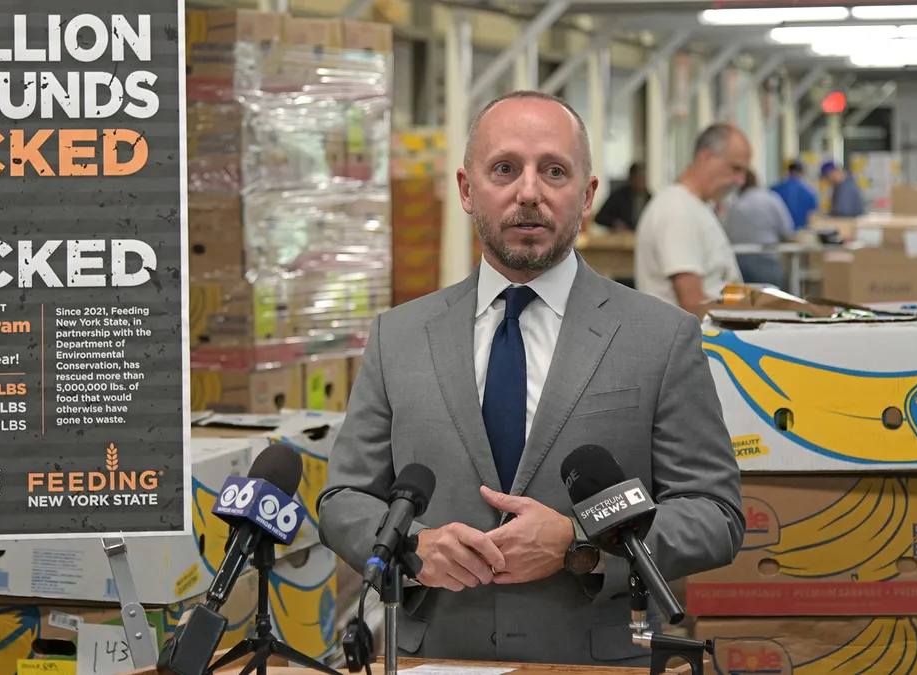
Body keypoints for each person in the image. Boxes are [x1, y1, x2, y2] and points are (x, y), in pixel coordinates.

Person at [316, 90, 744, 667]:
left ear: (586, 195)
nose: (529, 192)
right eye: (504, 169)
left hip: (592, 661)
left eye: (554, 171)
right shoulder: (400, 336)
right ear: (468, 191)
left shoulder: (660, 338)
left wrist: (579, 543)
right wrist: (414, 546)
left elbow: (713, 514)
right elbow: (344, 499)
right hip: (437, 657)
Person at [633, 124, 749, 316]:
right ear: (706, 157)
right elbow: (692, 304)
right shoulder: (676, 210)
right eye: (735, 168)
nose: (740, 181)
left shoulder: (695, 207)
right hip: (700, 343)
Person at [723, 169, 798, 289]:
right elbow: (787, 230)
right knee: (773, 300)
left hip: (738, 260)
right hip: (766, 258)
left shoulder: (732, 204)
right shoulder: (770, 199)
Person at [594, 162, 651, 231]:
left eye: (643, 178)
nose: (641, 181)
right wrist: (615, 223)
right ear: (632, 178)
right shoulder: (619, 196)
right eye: (638, 177)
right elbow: (600, 217)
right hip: (621, 238)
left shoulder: (650, 198)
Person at [770, 160, 819, 231]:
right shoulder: (810, 192)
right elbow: (811, 218)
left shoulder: (775, 189)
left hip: (779, 232)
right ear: (802, 173)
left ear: (788, 171)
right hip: (801, 233)